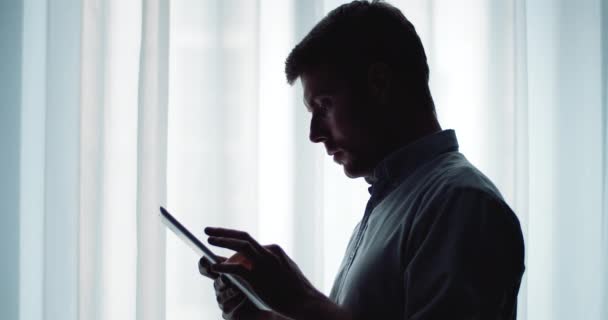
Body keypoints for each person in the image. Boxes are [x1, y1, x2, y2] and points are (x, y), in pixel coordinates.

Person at [198, 1, 525, 319]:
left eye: (323, 106)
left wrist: (304, 303)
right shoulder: (399, 203)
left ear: (379, 82)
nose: (314, 133)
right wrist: (254, 313)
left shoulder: (462, 203)